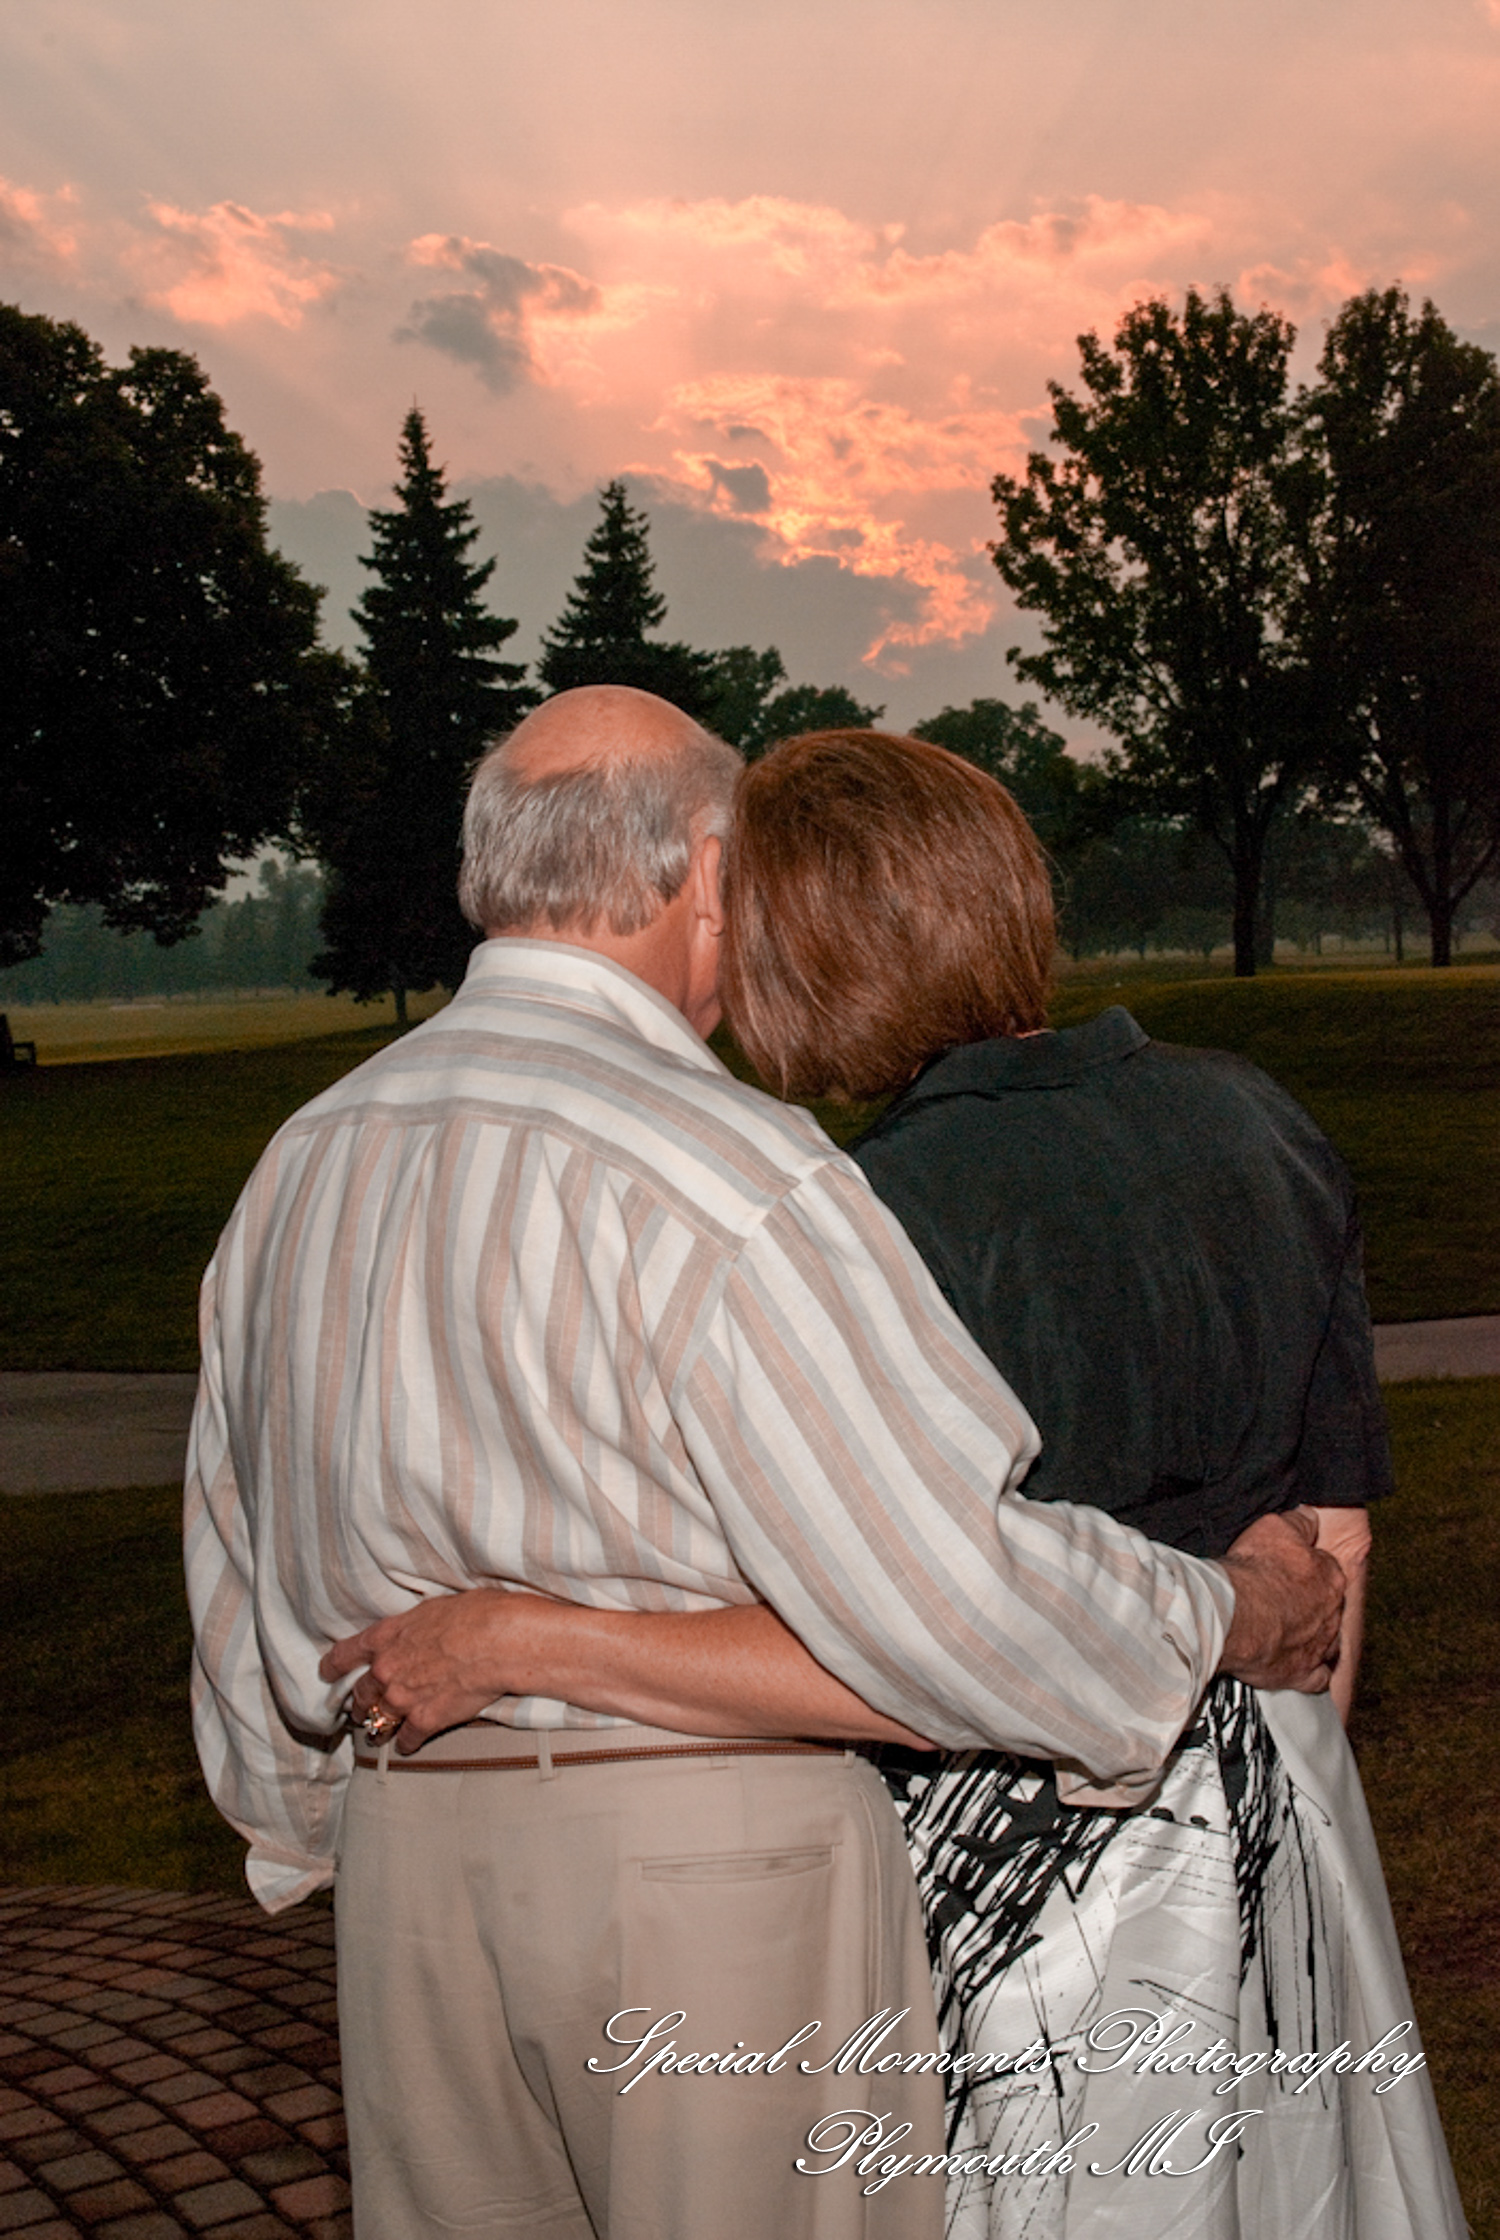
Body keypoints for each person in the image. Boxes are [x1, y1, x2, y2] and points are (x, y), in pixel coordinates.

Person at [190, 688, 1343, 2240]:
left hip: (410, 1864)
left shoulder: (303, 1161)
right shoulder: (728, 1168)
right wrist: (1221, 1610)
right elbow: (945, 1597)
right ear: (708, 871)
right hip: (703, 1875)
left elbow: (232, 1556)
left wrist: (315, 1826)